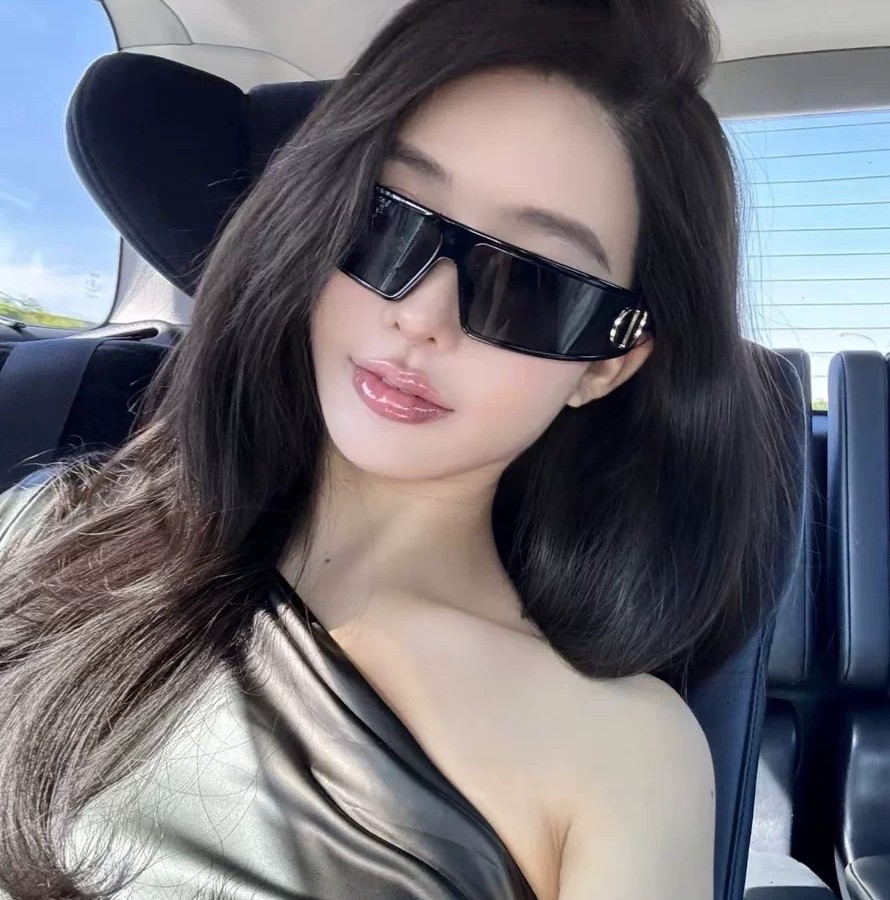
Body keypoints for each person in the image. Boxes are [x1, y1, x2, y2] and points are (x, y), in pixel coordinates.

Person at [0, 0, 799, 897]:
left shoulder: (624, 756)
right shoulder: (43, 524)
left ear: (605, 364)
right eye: (387, 222)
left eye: (529, 284)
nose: (421, 315)